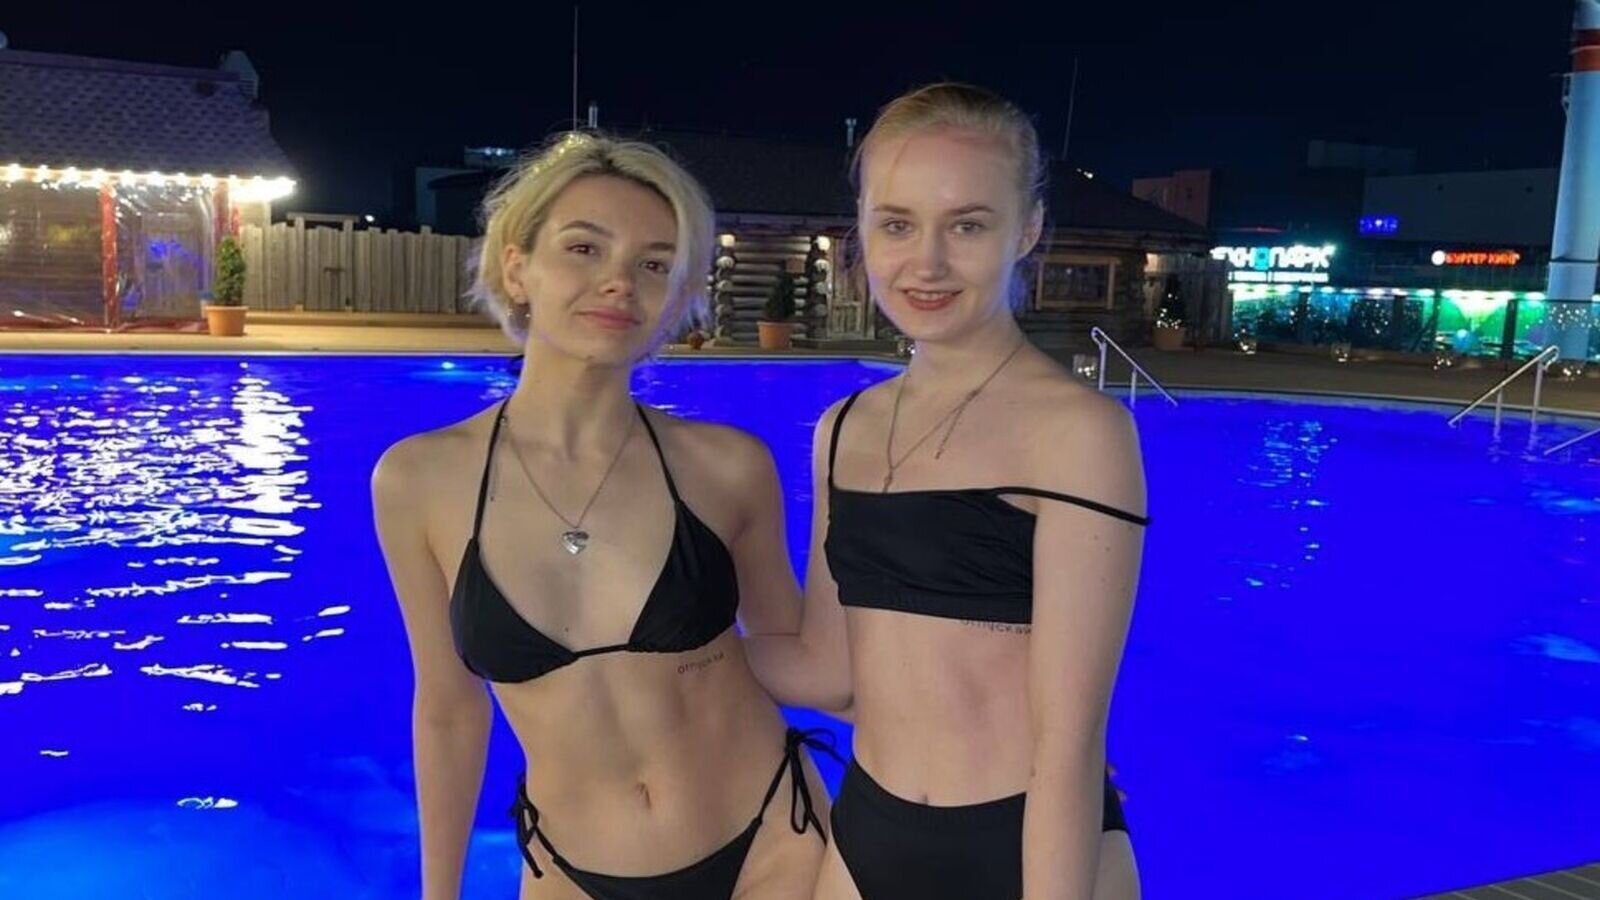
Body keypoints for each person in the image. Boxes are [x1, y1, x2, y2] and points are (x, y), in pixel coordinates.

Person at [372, 132, 833, 900]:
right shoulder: (419, 480)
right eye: (584, 249)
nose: (619, 282)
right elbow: (450, 710)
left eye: (654, 265)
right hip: (571, 870)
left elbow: (801, 656)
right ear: (517, 269)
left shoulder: (727, 466)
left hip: (774, 847)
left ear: (675, 300)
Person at [746, 84, 1148, 900]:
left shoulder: (1079, 433)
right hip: (868, 832)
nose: (925, 263)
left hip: (1024, 839)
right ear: (861, 230)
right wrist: (659, 644)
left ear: (1026, 230)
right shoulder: (845, 428)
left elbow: (1068, 744)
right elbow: (830, 671)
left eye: (967, 225)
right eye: (897, 224)